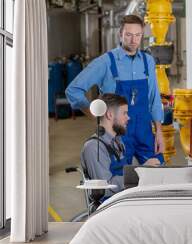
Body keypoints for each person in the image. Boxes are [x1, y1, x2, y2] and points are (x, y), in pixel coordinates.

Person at [67, 14, 165, 166]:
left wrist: (159, 132)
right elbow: (73, 90)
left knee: (158, 176)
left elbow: (154, 99)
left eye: (138, 35)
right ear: (120, 34)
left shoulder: (148, 61)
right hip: (116, 134)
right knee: (117, 182)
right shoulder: (106, 62)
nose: (133, 40)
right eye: (128, 35)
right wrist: (95, 115)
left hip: (144, 132)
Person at [81, 94, 160, 197]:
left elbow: (124, 174)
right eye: (124, 113)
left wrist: (143, 170)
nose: (128, 118)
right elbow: (106, 188)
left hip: (123, 198)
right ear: (109, 115)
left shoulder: (118, 141)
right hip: (109, 206)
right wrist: (141, 171)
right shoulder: (94, 147)